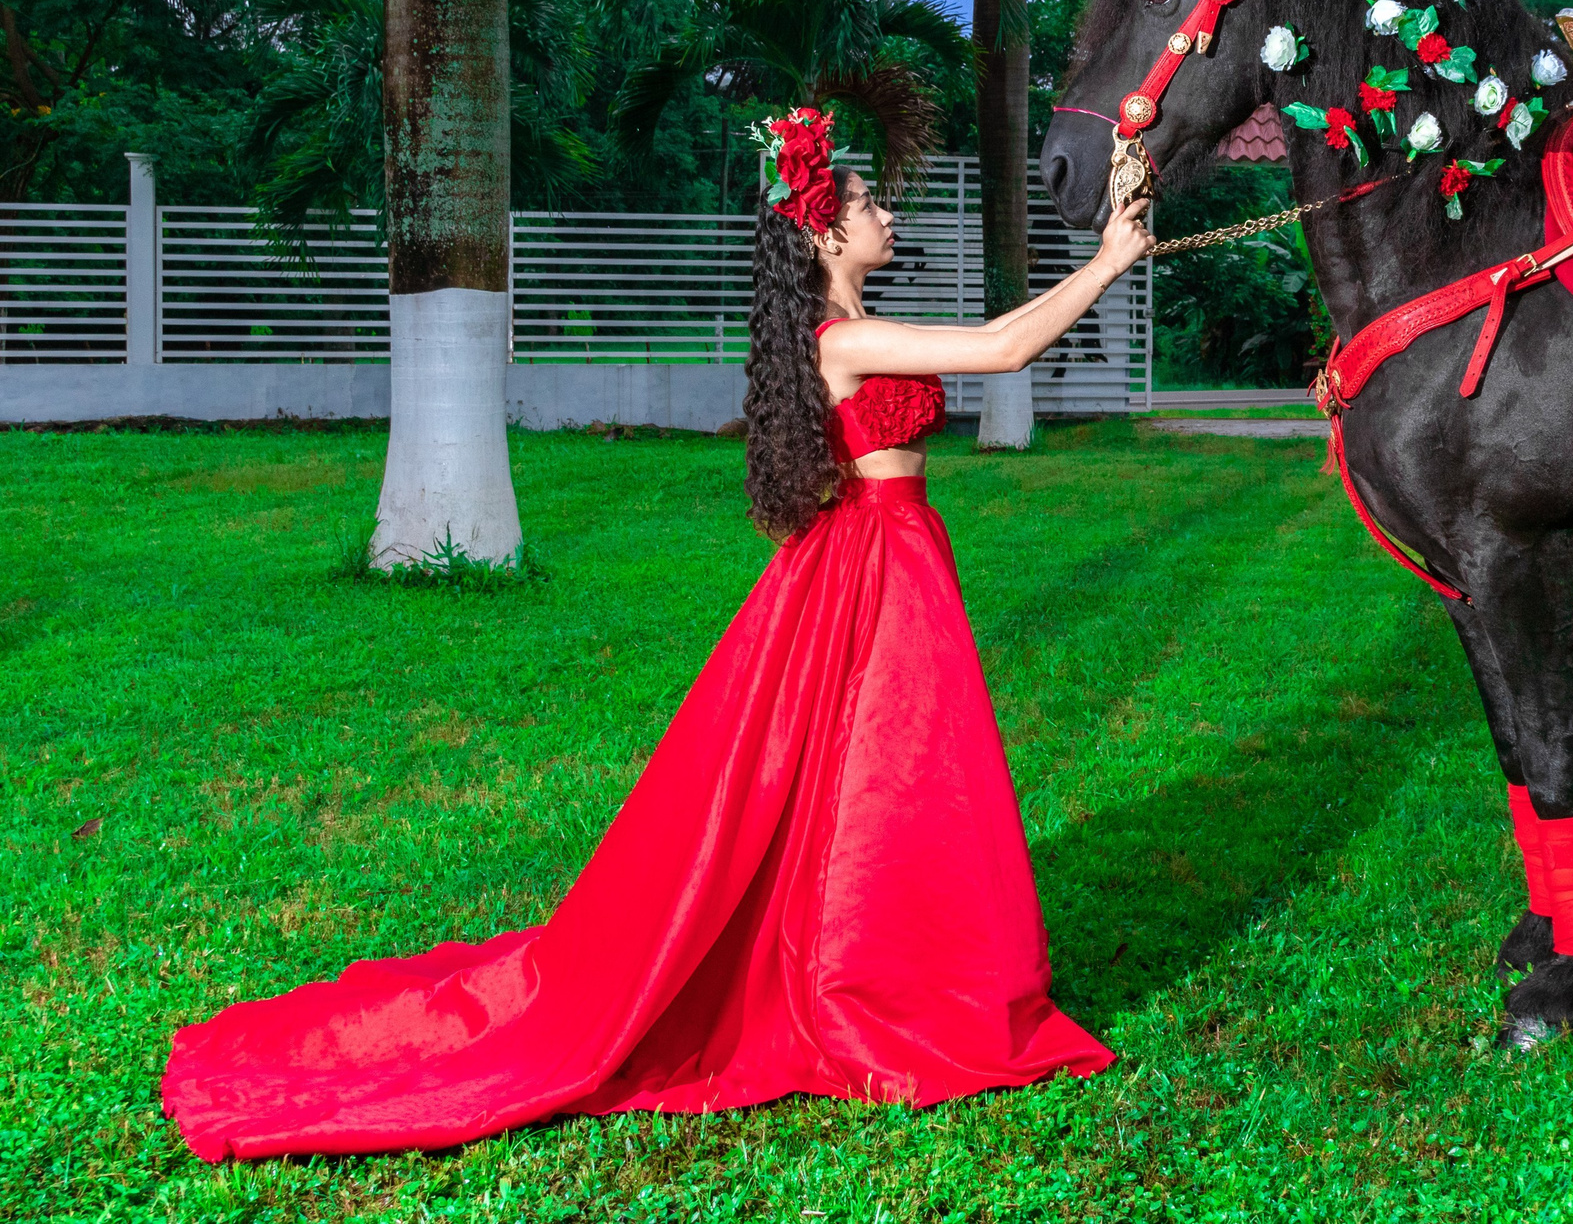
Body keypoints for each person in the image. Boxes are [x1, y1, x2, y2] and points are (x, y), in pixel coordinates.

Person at [164, 108, 1155, 1160]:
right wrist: (1106, 259)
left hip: (884, 555)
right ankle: (889, 981)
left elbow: (997, 336)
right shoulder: (846, 338)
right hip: (878, 561)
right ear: (824, 232)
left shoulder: (855, 321)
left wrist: (1115, 236)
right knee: (894, 772)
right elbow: (1003, 346)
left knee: (874, 780)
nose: (886, 210)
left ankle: (891, 959)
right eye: (868, 200)